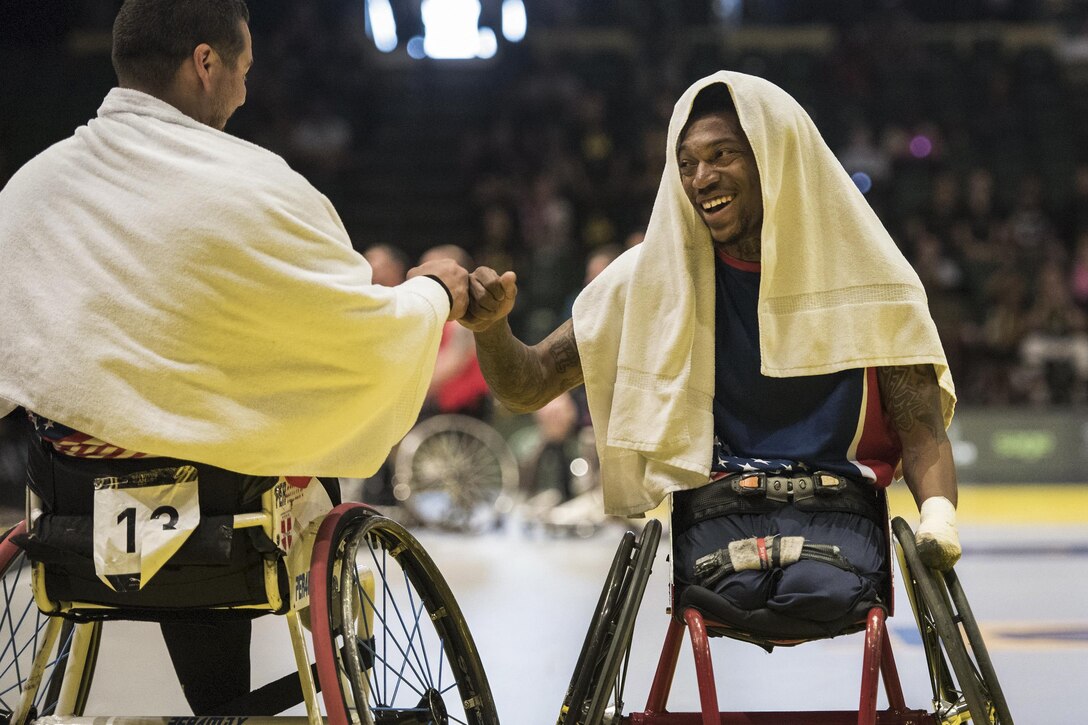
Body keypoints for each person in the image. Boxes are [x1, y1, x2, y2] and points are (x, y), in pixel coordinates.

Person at [0, 0, 470, 714]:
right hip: (229, 520)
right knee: (272, 430)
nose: (246, 93)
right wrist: (432, 292)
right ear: (205, 63)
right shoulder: (262, 186)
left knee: (162, 438)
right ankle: (259, 693)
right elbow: (362, 338)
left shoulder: (27, 193)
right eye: (243, 71)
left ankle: (217, 696)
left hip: (71, 514)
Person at [464, 72, 962, 628]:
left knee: (817, 591)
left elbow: (923, 431)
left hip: (841, 514)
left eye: (722, 155)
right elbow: (526, 384)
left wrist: (937, 519)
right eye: (686, 163)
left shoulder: (874, 279)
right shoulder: (648, 281)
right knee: (742, 594)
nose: (701, 177)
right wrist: (491, 329)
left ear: (774, 157)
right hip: (719, 517)